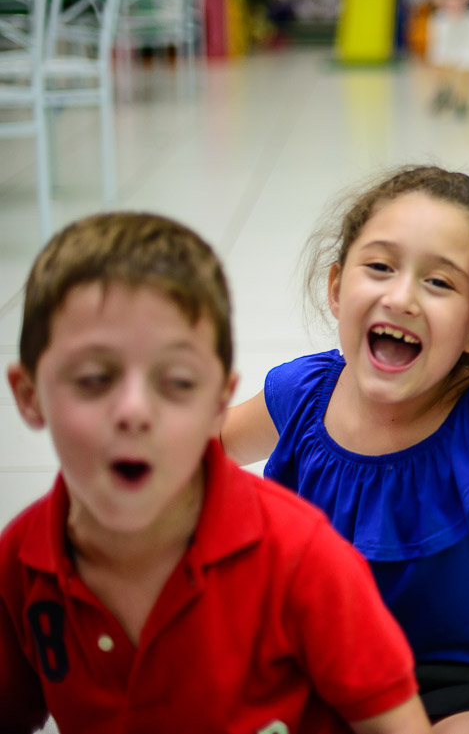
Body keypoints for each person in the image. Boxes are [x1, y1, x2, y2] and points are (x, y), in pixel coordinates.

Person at [220, 166, 469, 734]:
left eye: (439, 283)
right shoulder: (303, 394)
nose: (403, 295)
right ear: (337, 289)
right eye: (381, 266)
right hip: (321, 671)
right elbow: (193, 454)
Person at [0, 213, 432, 734]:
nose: (135, 411)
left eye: (177, 381)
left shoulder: (305, 559)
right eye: (94, 378)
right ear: (29, 396)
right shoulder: (19, 563)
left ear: (220, 401)